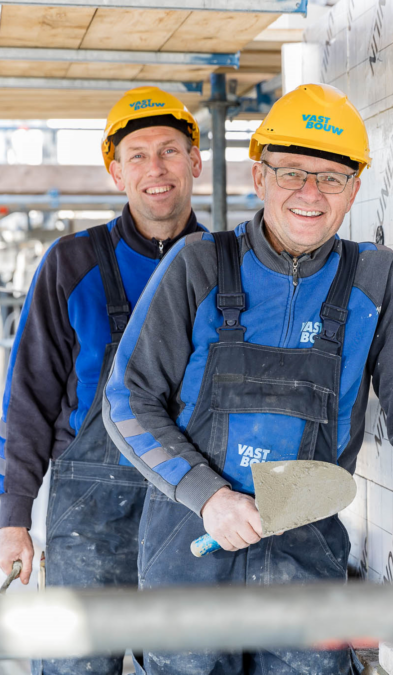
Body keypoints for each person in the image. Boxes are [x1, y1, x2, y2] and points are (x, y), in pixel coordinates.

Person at [103, 83, 393, 673]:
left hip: (305, 556)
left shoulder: (378, 280)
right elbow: (126, 401)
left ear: (354, 191)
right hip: (189, 544)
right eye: (290, 172)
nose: (310, 193)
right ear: (260, 179)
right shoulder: (196, 265)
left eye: (331, 178)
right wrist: (208, 496)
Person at [0, 86, 206, 674]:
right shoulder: (72, 264)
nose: (155, 169)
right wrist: (12, 518)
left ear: (195, 161)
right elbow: (29, 400)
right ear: (115, 172)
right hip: (90, 511)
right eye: (137, 155)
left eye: (169, 150)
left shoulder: (229, 265)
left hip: (194, 508)